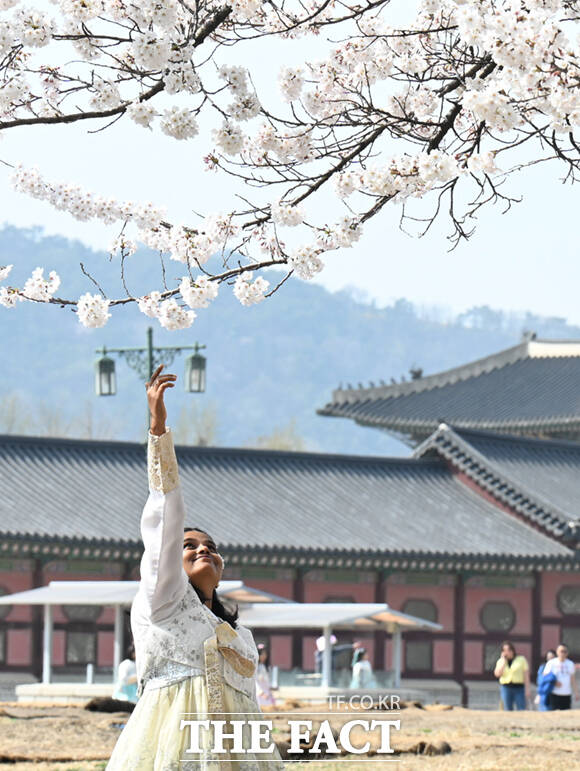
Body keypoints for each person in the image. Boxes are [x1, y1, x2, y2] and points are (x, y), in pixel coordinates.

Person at [106, 365, 284, 770]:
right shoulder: (164, 601)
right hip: (173, 749)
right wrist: (158, 432)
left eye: (211, 547)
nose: (204, 550)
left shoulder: (240, 635)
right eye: (189, 546)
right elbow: (167, 512)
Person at [493, 641, 530, 711]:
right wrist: (503, 662)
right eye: (504, 650)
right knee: (507, 708)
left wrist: (527, 689)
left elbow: (526, 676)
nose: (507, 652)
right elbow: (497, 674)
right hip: (506, 688)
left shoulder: (521, 659)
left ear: (512, 650)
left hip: (519, 688)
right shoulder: (500, 661)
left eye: (508, 650)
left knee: (521, 708)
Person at [542, 643, 579, 711]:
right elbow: (545, 676)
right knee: (554, 714)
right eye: (561, 651)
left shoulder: (570, 664)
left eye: (565, 651)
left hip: (566, 693)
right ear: (557, 652)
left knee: (566, 714)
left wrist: (576, 692)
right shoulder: (551, 663)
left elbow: (573, 680)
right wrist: (554, 682)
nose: (563, 653)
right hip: (554, 693)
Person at [256, 644, 276, 708]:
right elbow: (254, 681)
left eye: (265, 654)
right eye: (262, 654)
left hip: (267, 693)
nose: (264, 656)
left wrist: (271, 688)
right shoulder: (255, 667)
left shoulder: (266, 667)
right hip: (259, 694)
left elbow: (267, 681)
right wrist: (261, 693)